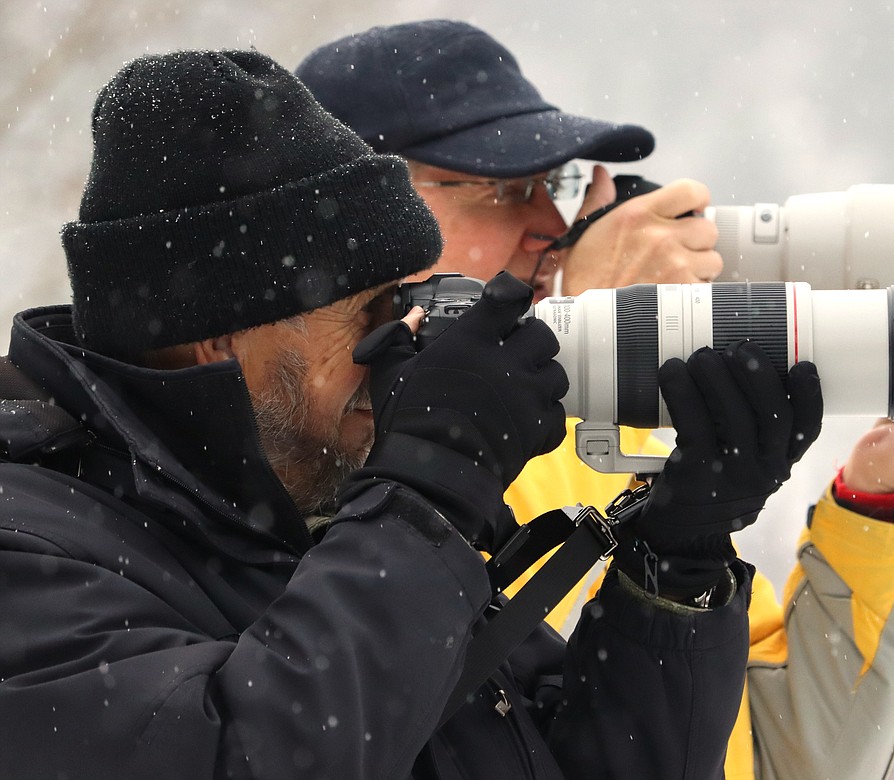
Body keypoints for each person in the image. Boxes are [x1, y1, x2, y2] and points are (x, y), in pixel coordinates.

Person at [0, 49, 827, 779]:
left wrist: (672, 567)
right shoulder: (29, 548)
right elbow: (245, 756)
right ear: (219, 341)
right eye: (373, 313)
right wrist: (426, 491)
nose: (406, 351)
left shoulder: (330, 512)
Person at [296, 20, 894, 780]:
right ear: (363, 210)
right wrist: (576, 329)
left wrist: (876, 504)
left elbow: (789, 758)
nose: (549, 229)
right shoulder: (299, 458)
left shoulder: (618, 441)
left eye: (554, 190)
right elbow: (412, 659)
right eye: (506, 191)